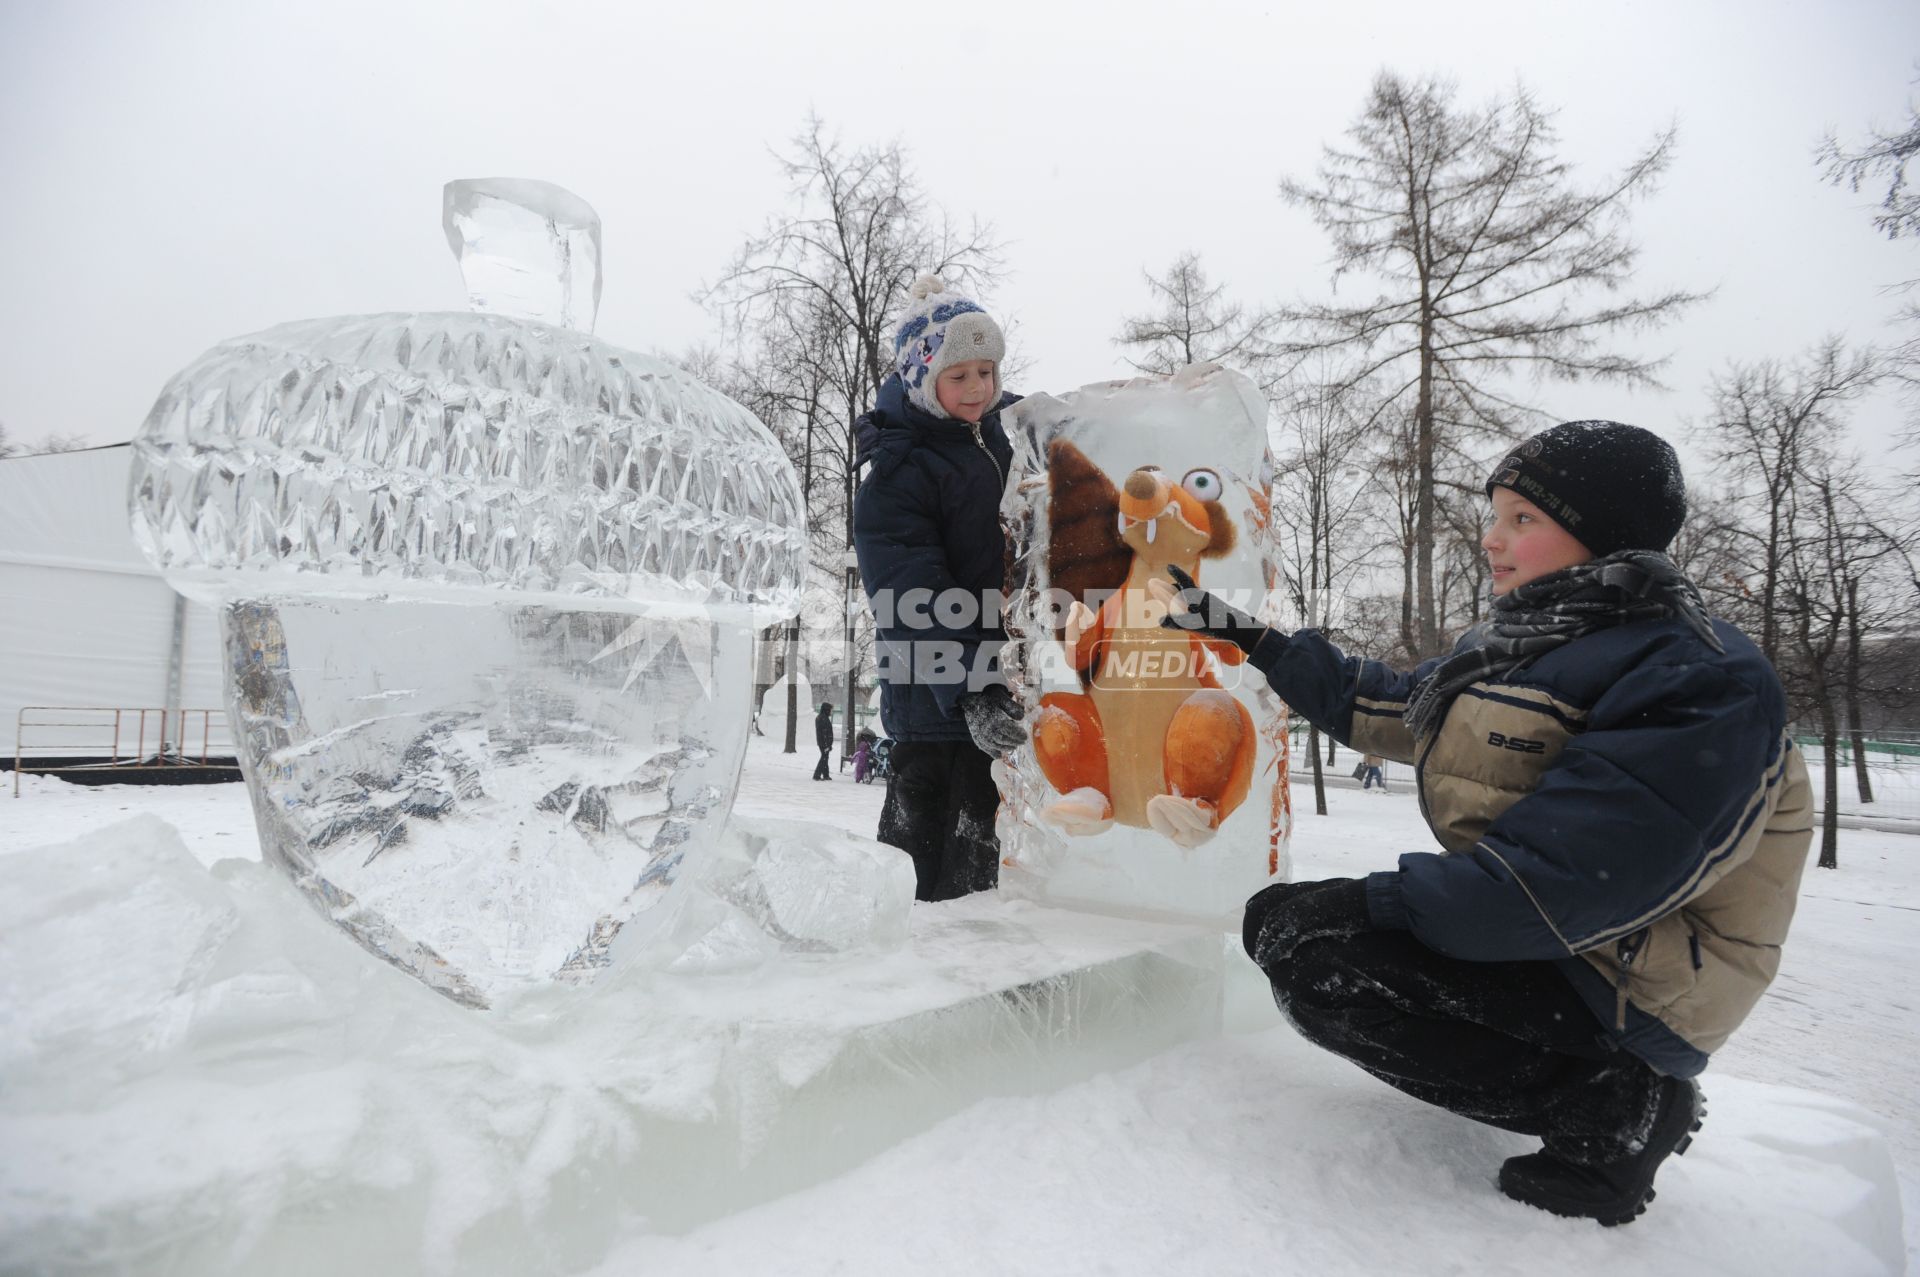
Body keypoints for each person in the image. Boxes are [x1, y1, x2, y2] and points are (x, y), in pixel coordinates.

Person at [1157, 420, 1813, 1226]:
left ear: (1603, 535)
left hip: (1639, 979)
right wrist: (1248, 635)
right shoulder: (1527, 647)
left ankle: (1615, 1104)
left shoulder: (1699, 677)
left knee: (1316, 950)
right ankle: (1591, 1079)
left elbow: (1555, 886)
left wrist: (1384, 900)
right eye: (1494, 513)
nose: (1491, 537)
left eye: (1522, 519)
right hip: (1564, 938)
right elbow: (1382, 704)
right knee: (1289, 924)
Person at [853, 274, 1025, 902]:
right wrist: (972, 689)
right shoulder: (899, 474)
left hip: (1004, 695)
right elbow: (911, 594)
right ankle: (898, 985)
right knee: (927, 887)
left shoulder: (1009, 443)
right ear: (924, 380)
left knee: (994, 883)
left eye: (987, 370)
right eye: (960, 376)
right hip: (937, 707)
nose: (979, 387)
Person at [811, 702, 834, 781]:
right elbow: (824, 733)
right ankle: (817, 775)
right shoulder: (823, 718)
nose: (831, 711)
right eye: (830, 710)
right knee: (824, 758)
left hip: (823, 743)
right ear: (826, 710)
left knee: (825, 758)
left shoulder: (822, 717)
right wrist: (827, 745)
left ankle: (825, 775)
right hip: (824, 743)